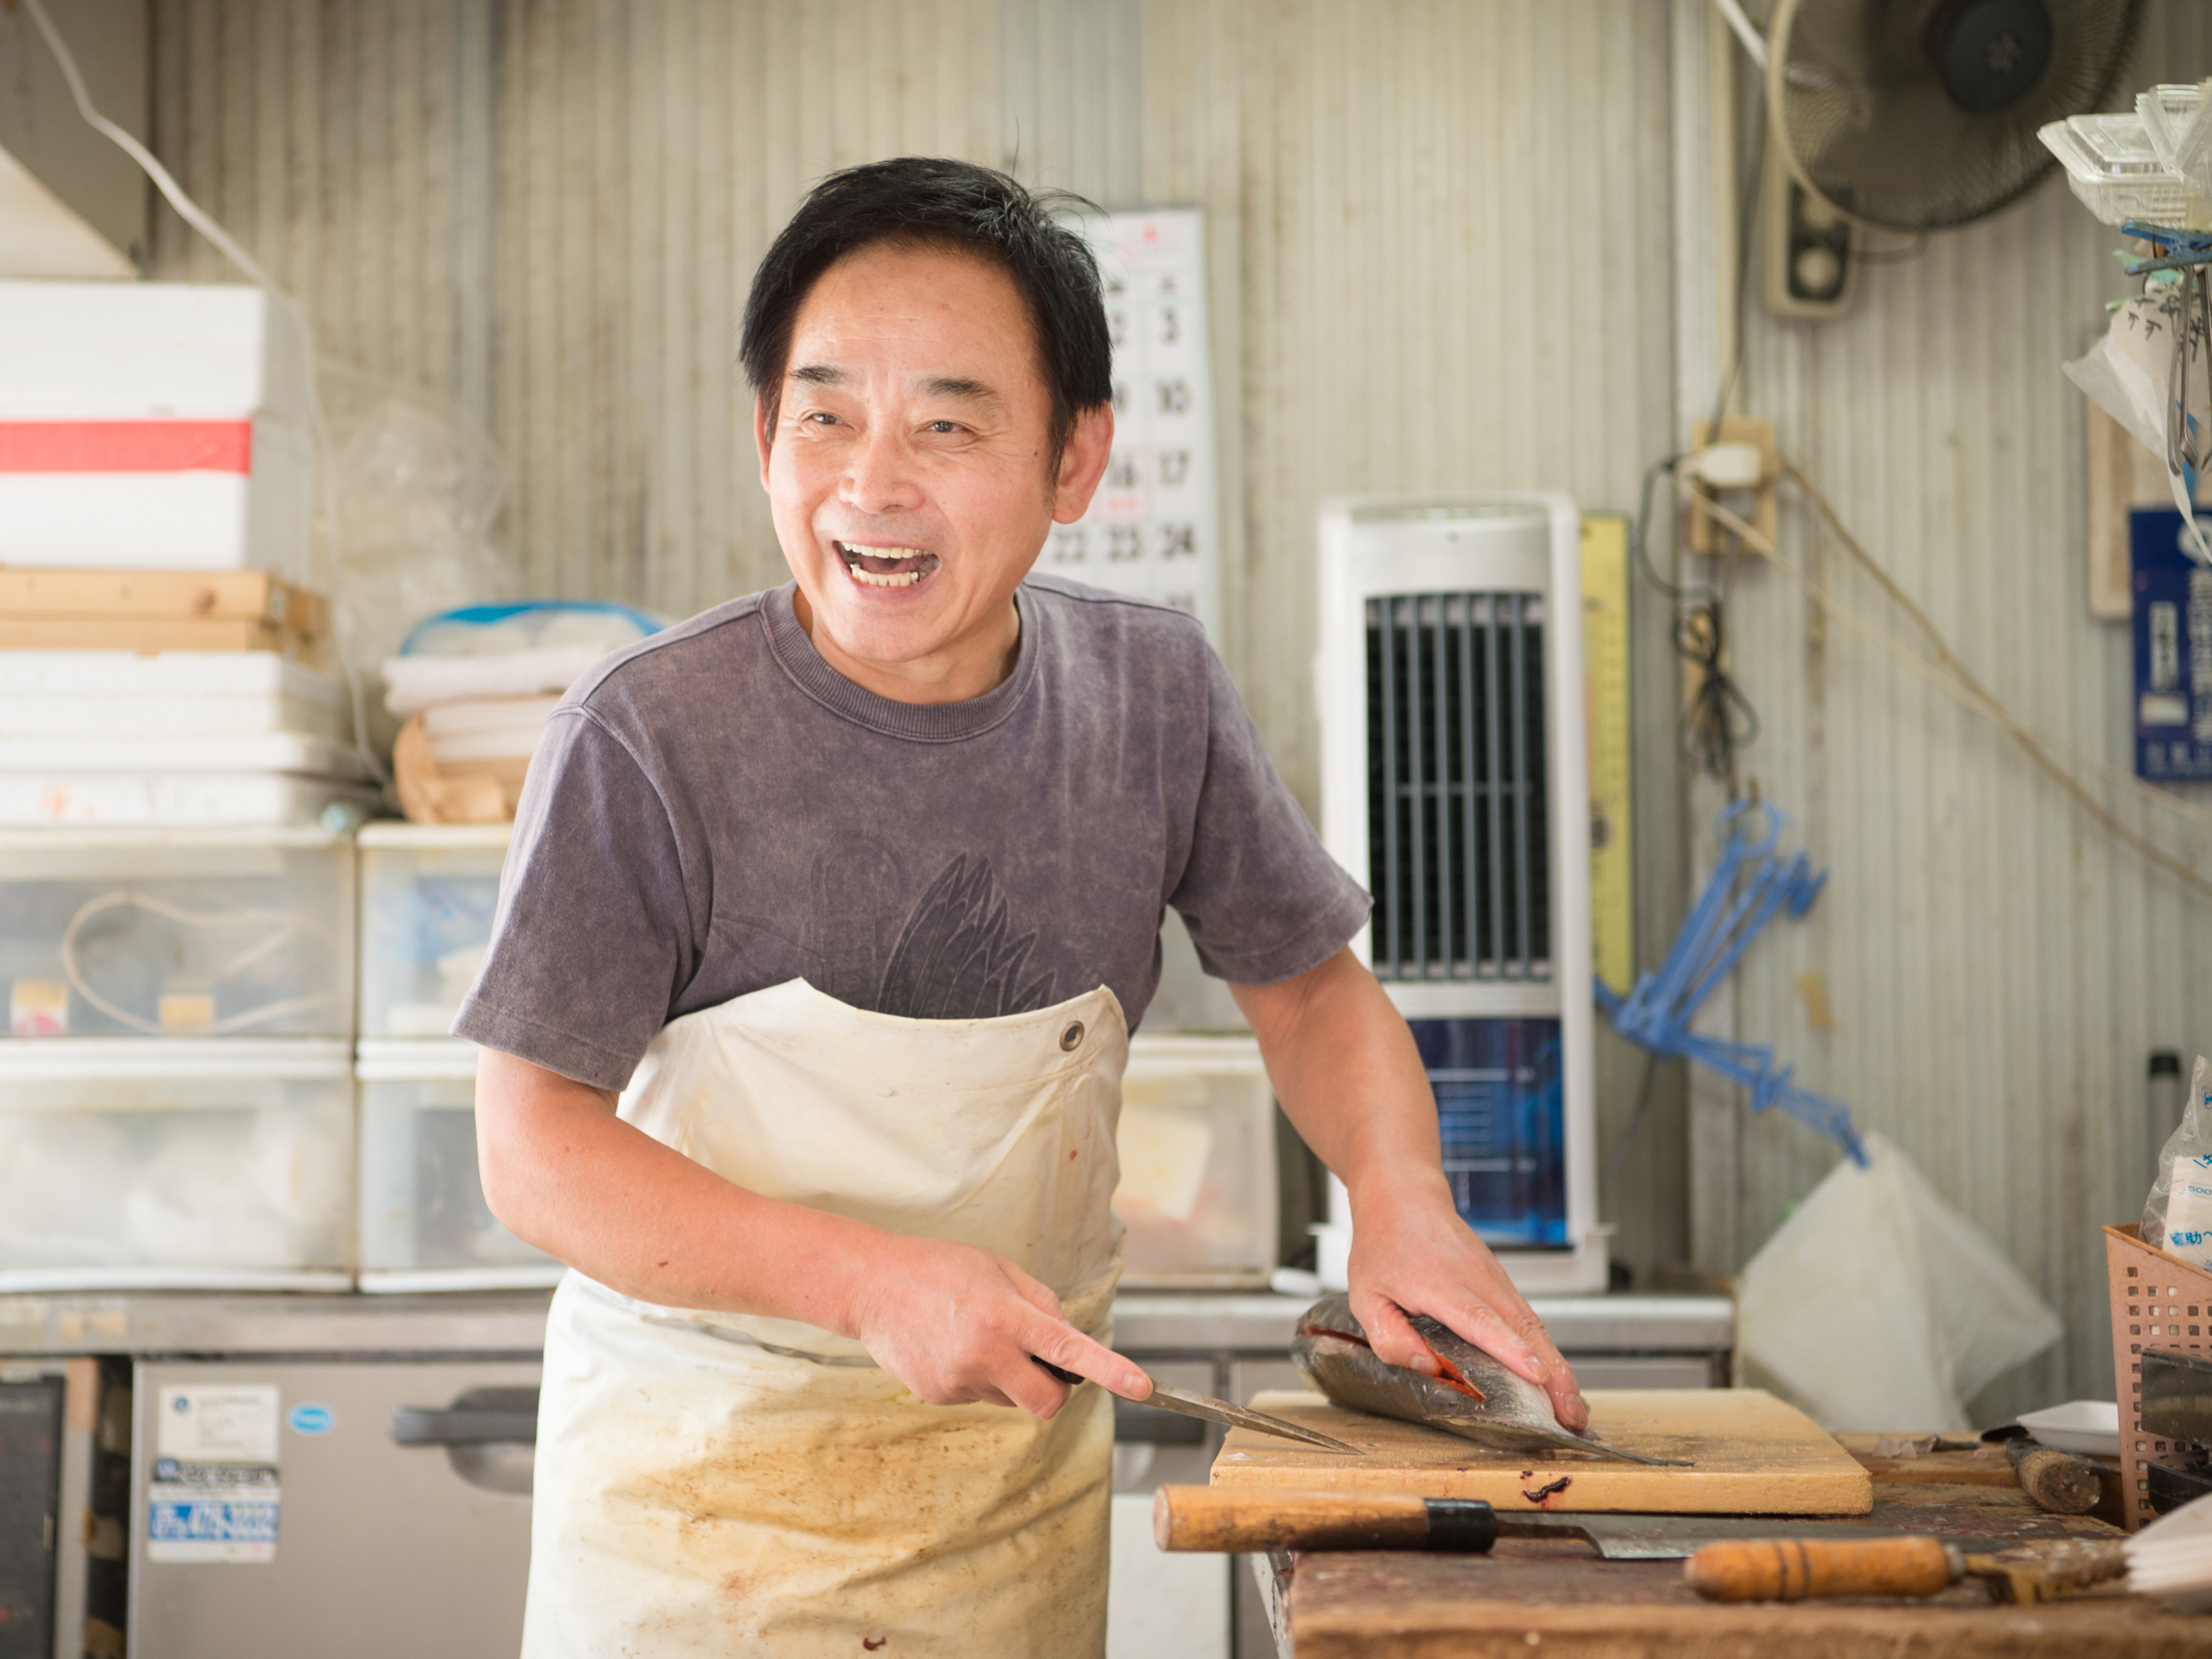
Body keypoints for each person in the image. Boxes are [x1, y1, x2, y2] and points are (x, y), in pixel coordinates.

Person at [463, 155, 1586, 1658]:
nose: (873, 483)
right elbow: (532, 1148)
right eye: (826, 417)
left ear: (1074, 460)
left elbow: (1311, 991)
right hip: (694, 1524)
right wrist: (865, 1282)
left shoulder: (1153, 695)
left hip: (1005, 1526)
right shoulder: (645, 734)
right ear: (762, 437)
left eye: (947, 421)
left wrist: (1401, 1204)